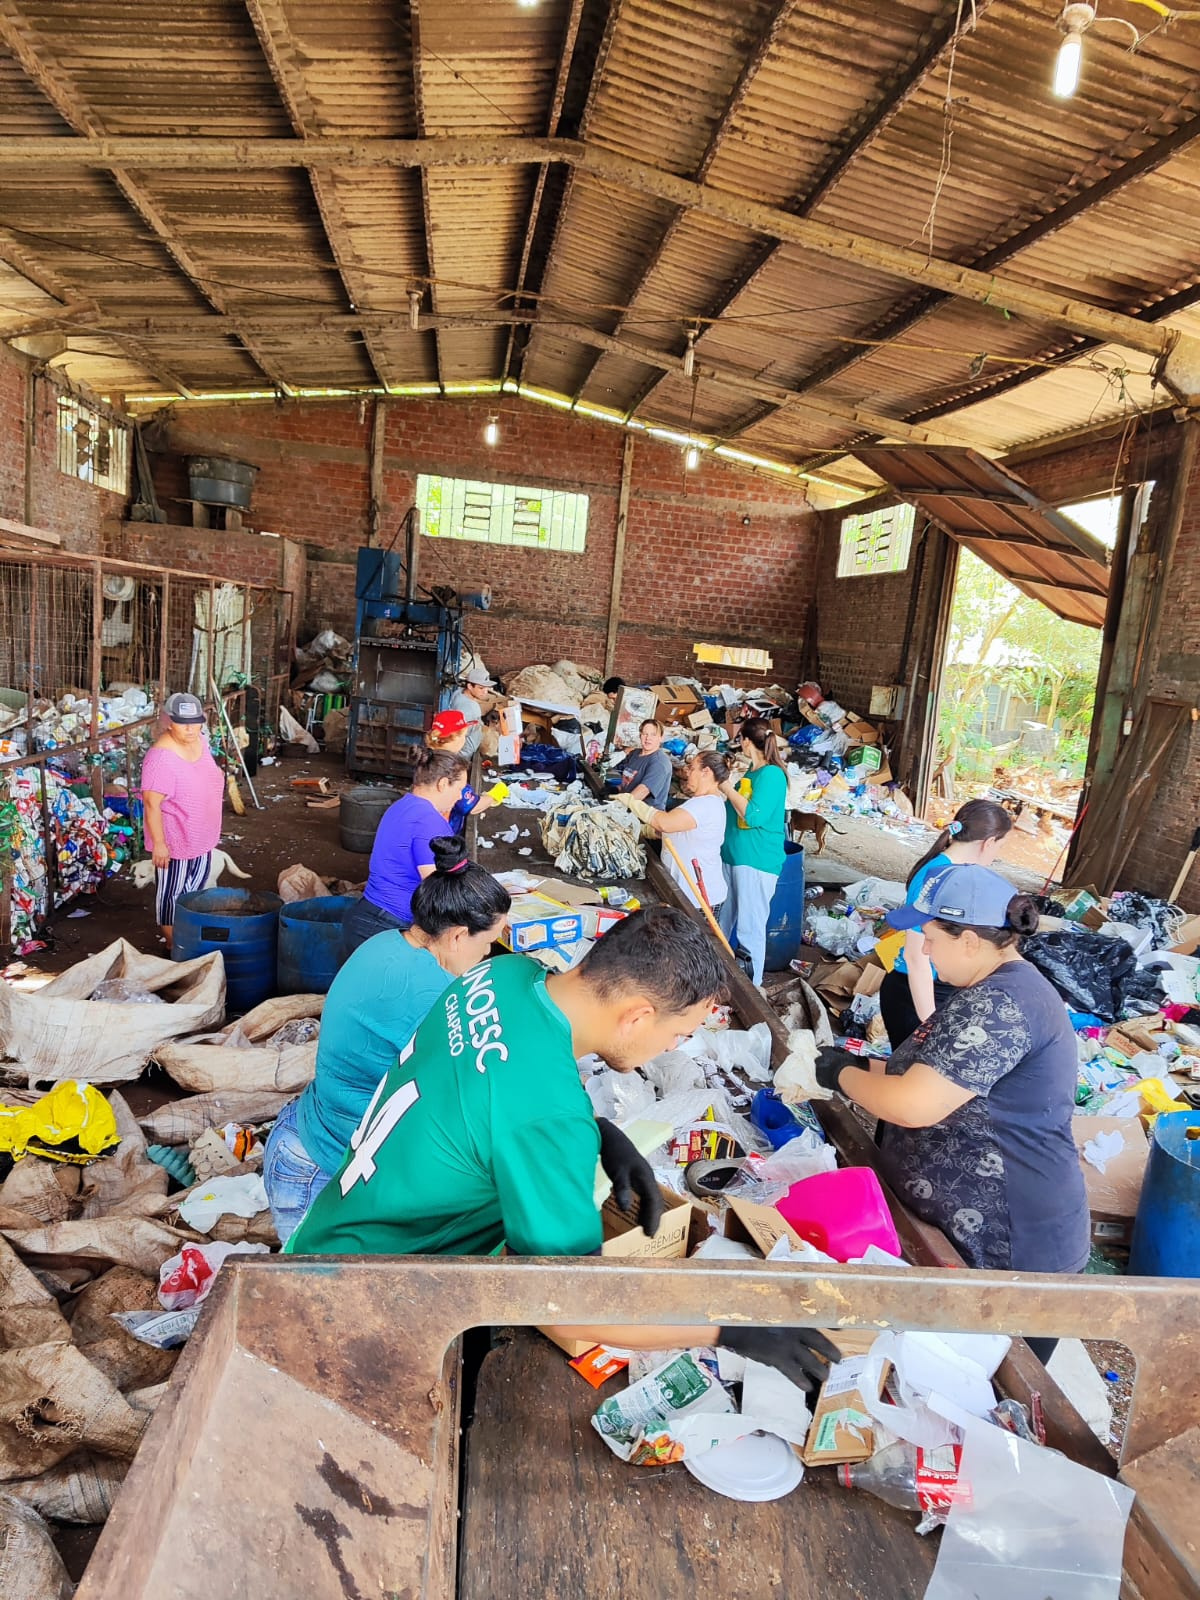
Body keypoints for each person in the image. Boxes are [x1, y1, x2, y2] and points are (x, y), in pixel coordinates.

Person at [287, 905, 838, 1389]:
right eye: (678, 1033)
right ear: (638, 1016)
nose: (672, 1047)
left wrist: (598, 1130)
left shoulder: (502, 974)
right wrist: (728, 1329)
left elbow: (486, 1086)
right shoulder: (546, 1118)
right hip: (359, 1306)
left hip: (325, 1238)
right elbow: (569, 1306)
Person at [812, 864, 1089, 1363]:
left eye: (932, 938)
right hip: (968, 1237)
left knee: (986, 1385)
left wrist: (839, 1076)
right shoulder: (986, 990)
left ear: (970, 941)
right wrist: (859, 1065)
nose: (923, 950)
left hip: (1011, 1247)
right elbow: (938, 1072)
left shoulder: (1002, 1004)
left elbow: (914, 1103)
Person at [264, 836, 511, 1242]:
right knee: (316, 1282)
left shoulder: (389, 942)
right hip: (319, 1168)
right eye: (487, 943)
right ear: (457, 936)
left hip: (308, 1133)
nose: (487, 955)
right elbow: (468, 1102)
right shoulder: (431, 996)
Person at [881, 799, 1013, 1050]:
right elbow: (916, 956)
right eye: (1001, 846)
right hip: (917, 991)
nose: (997, 854)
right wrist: (930, 1022)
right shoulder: (939, 876)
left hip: (936, 986)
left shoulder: (957, 872)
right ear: (988, 843)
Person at [341, 748, 468, 956]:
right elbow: (439, 889)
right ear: (443, 784)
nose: (460, 796)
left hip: (365, 917)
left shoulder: (400, 806)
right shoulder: (430, 821)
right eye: (460, 788)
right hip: (388, 927)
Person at [139, 692, 225, 952]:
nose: (190, 729)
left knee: (194, 891)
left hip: (201, 835)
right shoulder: (160, 759)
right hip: (175, 840)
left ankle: (188, 938)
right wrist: (160, 844)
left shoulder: (200, 740)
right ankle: (174, 946)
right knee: (172, 897)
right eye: (182, 723)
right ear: (168, 722)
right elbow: (151, 804)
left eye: (195, 722)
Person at [717, 719, 788, 986]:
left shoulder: (772, 775)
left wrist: (726, 786)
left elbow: (754, 815)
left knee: (749, 928)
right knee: (721, 925)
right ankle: (719, 980)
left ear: (746, 742)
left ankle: (752, 988)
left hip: (756, 862)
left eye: (740, 741)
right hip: (733, 857)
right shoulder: (751, 773)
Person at [618, 751, 728, 912]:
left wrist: (632, 802)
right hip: (685, 891)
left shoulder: (706, 805)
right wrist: (643, 830)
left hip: (699, 898)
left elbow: (665, 824)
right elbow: (674, 830)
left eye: (692, 768)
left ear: (706, 772)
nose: (687, 773)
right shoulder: (700, 802)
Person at [427, 709, 499, 835]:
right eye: (464, 736)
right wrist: (495, 795)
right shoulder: (452, 768)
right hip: (442, 834)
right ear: (455, 738)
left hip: (426, 825)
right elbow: (469, 806)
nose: (465, 739)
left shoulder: (427, 757)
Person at [618, 719, 673, 810]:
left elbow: (642, 791)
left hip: (645, 814)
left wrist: (618, 806)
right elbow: (627, 782)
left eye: (653, 734)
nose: (648, 738)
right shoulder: (635, 754)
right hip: (628, 807)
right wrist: (617, 789)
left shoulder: (660, 762)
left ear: (661, 738)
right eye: (645, 734)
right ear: (640, 735)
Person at [448, 665, 494, 759]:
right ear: (470, 686)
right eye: (481, 688)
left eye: (486, 688)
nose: (485, 692)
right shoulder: (471, 708)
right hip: (463, 754)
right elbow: (459, 734)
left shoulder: (459, 692)